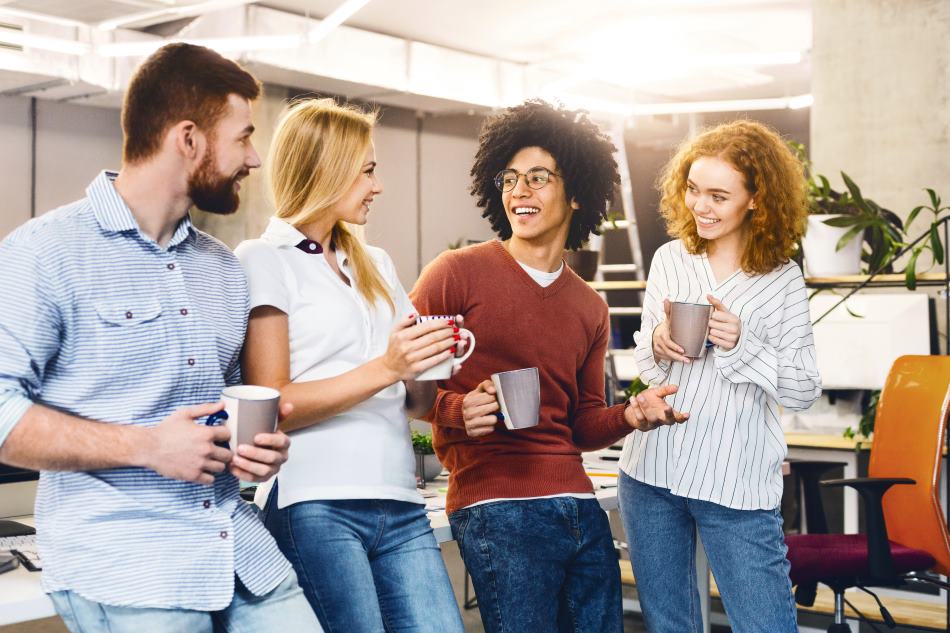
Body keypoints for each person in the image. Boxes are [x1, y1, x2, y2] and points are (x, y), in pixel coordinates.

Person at [0, 44, 323, 632]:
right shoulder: (44, 253)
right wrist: (146, 447)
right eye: (244, 136)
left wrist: (252, 447)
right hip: (129, 561)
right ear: (189, 138)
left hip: (240, 556)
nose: (253, 158)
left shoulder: (222, 269)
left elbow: (220, 406)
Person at [409, 99, 688, 633]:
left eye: (538, 178)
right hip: (495, 503)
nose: (519, 191)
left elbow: (580, 423)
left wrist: (630, 414)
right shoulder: (456, 274)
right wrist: (455, 409)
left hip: (581, 506)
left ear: (575, 192)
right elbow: (399, 380)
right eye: (509, 179)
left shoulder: (590, 305)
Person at [236, 98, 465, 633]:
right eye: (367, 171)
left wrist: (427, 362)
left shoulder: (375, 263)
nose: (377, 186)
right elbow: (275, 405)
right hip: (315, 502)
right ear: (327, 170)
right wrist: (388, 366)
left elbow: (417, 404)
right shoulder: (263, 258)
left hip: (400, 501)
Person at [618, 119, 822, 633]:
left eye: (718, 195)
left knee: (766, 626)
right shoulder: (671, 259)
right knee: (670, 626)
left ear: (756, 199)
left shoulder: (782, 279)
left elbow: (803, 389)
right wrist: (657, 343)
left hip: (736, 483)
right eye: (692, 189)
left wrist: (743, 343)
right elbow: (646, 362)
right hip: (653, 473)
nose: (700, 206)